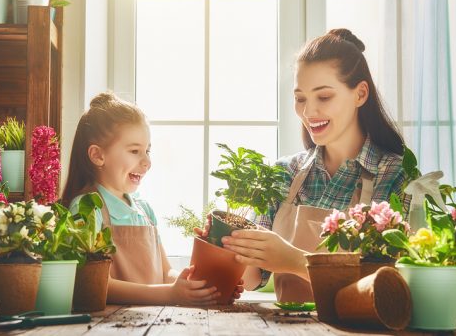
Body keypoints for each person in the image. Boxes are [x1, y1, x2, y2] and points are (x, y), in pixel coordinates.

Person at [198, 29, 408, 302]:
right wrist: (226, 246)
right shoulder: (285, 173)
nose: (308, 112)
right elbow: (251, 278)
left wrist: (295, 261)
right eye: (300, 98)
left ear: (360, 94)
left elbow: (392, 287)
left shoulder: (394, 175)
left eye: (323, 97)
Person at [62, 92, 242, 305]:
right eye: (135, 151)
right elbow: (95, 286)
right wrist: (170, 294)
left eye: (148, 150)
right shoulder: (86, 209)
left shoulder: (144, 210)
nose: (147, 161)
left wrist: (201, 286)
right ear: (98, 155)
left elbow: (167, 274)